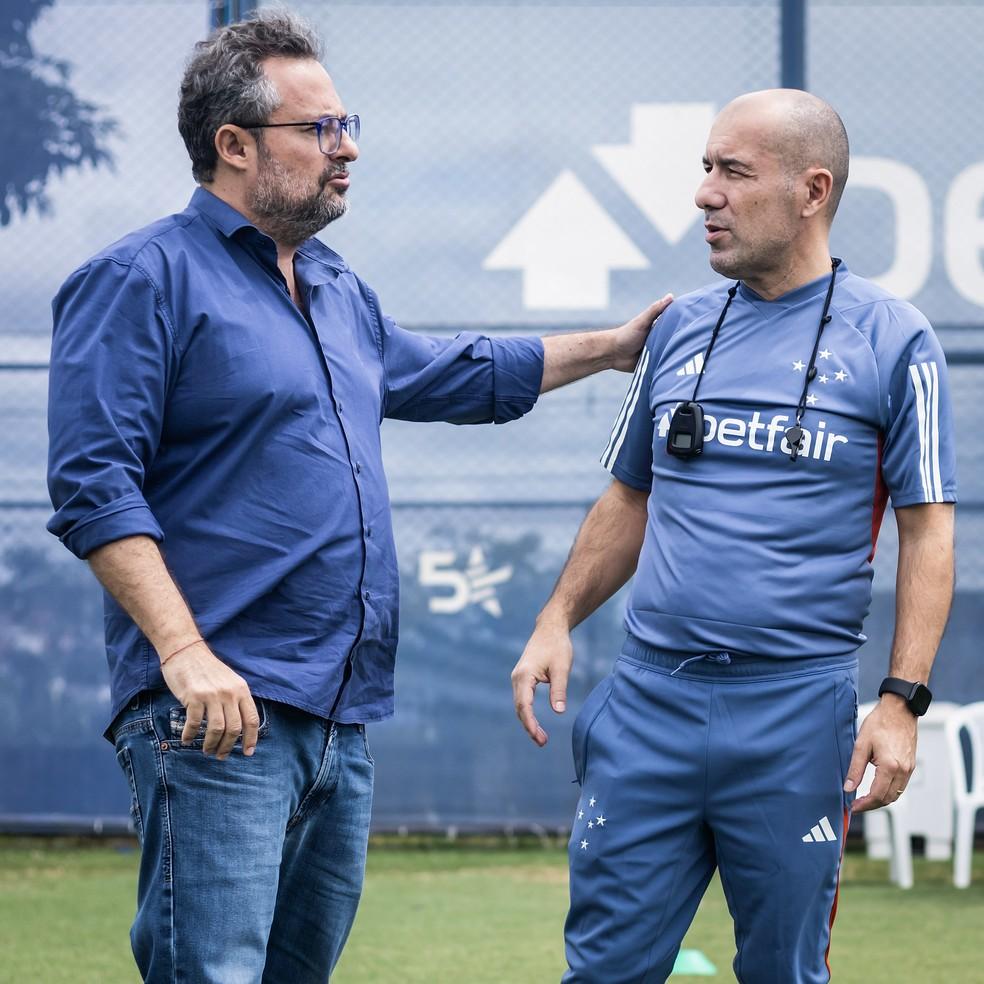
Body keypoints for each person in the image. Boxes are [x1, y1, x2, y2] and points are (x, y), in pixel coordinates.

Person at [45, 11, 672, 983]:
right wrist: (185, 654)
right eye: (322, 129)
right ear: (235, 144)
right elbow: (93, 485)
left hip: (340, 717)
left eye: (350, 124)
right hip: (218, 710)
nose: (350, 149)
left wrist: (614, 347)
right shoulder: (140, 278)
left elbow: (456, 371)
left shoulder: (335, 288)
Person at [511, 88, 956, 984]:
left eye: (732, 172)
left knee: (785, 973)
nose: (705, 194)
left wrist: (901, 701)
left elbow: (928, 532)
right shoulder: (677, 328)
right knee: (601, 972)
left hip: (796, 717)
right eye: (705, 169)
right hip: (648, 706)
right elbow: (628, 499)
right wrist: (557, 617)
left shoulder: (895, 340)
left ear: (811, 190)